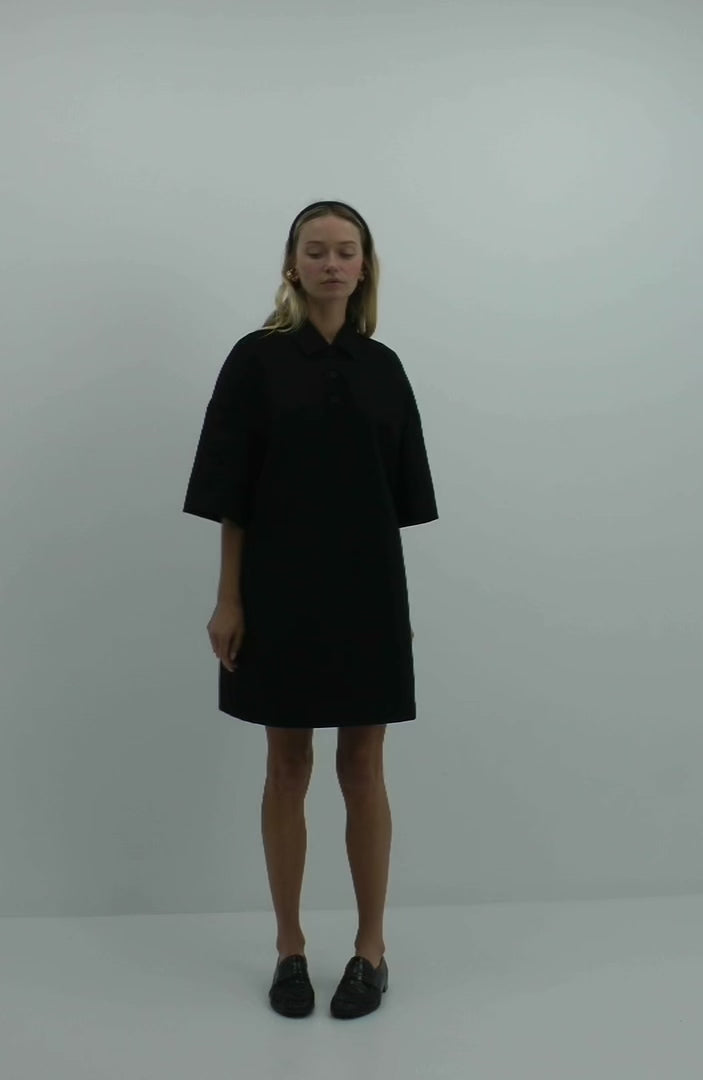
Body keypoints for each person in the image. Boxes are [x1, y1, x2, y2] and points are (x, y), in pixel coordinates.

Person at [182, 200, 439, 1019]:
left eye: (346, 251)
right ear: (292, 264)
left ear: (365, 267)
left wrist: (392, 609)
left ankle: (372, 950)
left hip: (367, 591)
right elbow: (232, 495)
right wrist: (229, 598)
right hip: (276, 590)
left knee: (363, 768)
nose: (332, 263)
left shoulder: (384, 368)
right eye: (316, 250)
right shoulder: (255, 360)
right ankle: (289, 949)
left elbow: (395, 500)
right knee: (286, 767)